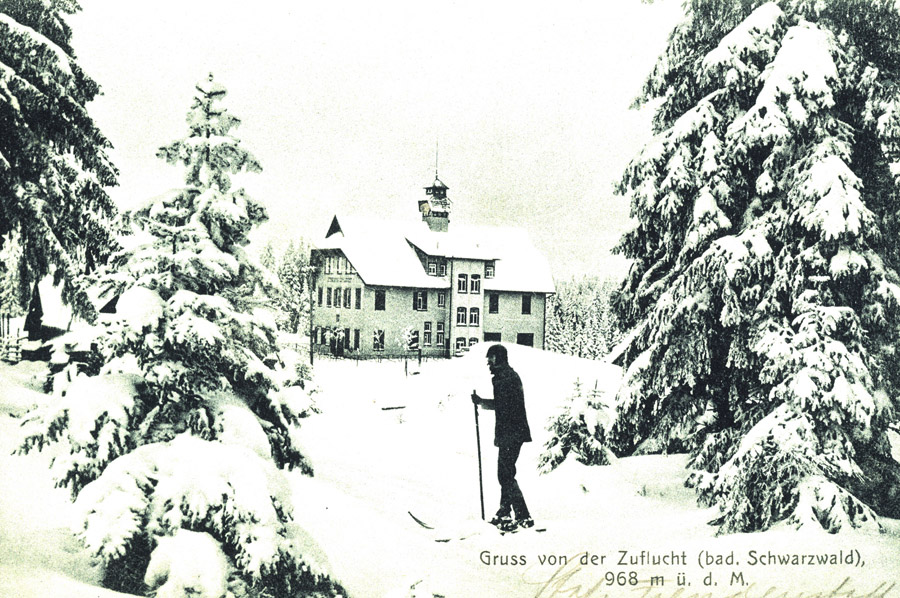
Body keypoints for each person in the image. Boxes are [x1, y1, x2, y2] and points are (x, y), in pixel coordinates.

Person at [471, 344, 534, 532]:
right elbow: (502, 404)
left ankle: (522, 515)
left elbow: (505, 405)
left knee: (505, 474)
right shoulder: (503, 376)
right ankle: (505, 512)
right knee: (505, 473)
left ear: (499, 358)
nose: (488, 362)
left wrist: (483, 402)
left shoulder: (506, 377)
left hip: (512, 432)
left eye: (491, 358)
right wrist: (483, 402)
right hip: (511, 431)